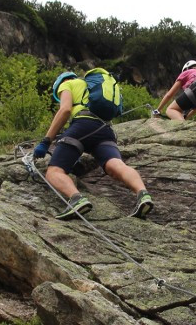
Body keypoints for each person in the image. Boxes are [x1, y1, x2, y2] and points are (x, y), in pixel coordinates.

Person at [33, 71, 153, 220]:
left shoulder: (66, 84)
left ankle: (76, 199)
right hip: (106, 130)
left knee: (54, 171)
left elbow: (65, 110)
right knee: (116, 166)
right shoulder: (92, 87)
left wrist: (46, 141)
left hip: (83, 125)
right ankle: (142, 193)